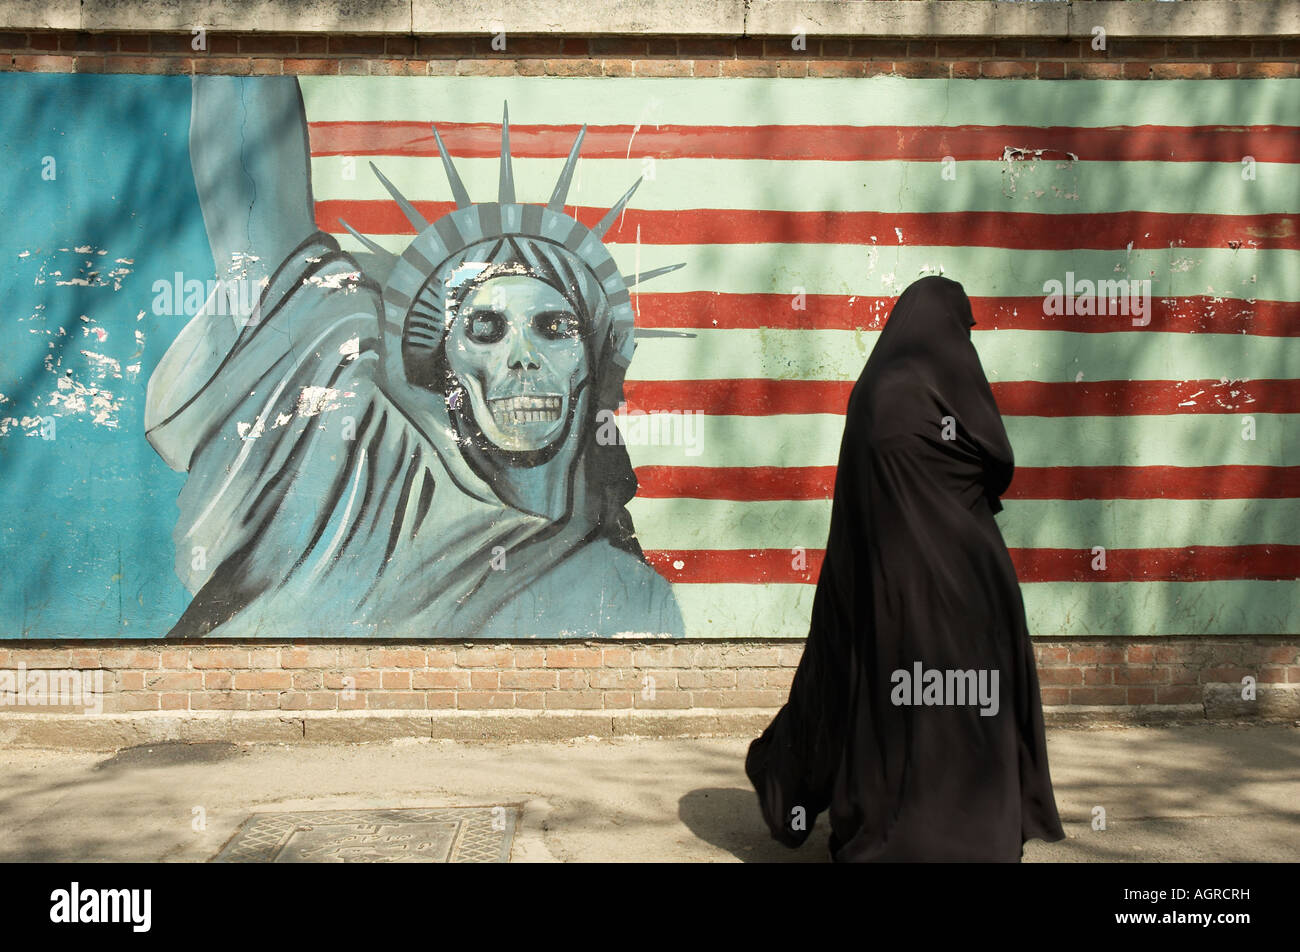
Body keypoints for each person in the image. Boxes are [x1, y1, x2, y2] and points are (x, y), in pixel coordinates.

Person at [144, 77, 684, 639]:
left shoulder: (629, 594)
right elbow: (258, 224)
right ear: (443, 362)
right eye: (486, 328)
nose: (522, 358)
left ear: (591, 361)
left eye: (553, 327)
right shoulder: (362, 476)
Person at [745, 275, 1065, 861]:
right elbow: (997, 459)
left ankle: (894, 831)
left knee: (893, 706)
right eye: (964, 331)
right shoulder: (947, 390)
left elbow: (858, 498)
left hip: (887, 586)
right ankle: (978, 834)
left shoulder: (872, 391)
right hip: (973, 583)